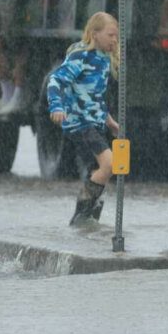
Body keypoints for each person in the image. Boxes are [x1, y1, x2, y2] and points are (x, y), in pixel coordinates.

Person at [47, 12, 120, 226]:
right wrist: (56, 106)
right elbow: (55, 80)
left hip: (95, 123)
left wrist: (109, 121)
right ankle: (81, 217)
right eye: (110, 35)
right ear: (95, 34)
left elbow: (94, 96)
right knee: (110, 164)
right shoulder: (81, 56)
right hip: (80, 123)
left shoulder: (104, 59)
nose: (114, 40)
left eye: (117, 36)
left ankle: (87, 224)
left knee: (98, 171)